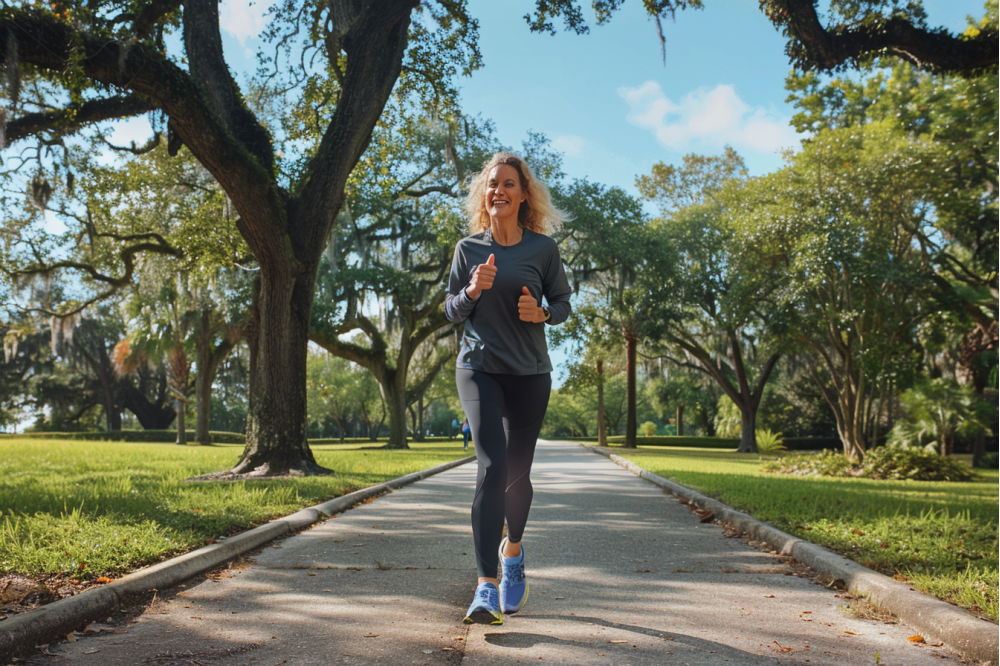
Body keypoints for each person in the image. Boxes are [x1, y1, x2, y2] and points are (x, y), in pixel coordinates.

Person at [444, 152, 572, 625]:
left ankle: (512, 552)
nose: (498, 190)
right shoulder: (468, 250)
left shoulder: (542, 250)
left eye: (508, 184)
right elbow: (451, 309)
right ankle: (484, 587)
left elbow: (561, 303)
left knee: (517, 474)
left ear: (523, 195)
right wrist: (472, 290)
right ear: (486, 194)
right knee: (492, 465)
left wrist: (544, 314)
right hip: (479, 368)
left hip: (531, 372)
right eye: (492, 184)